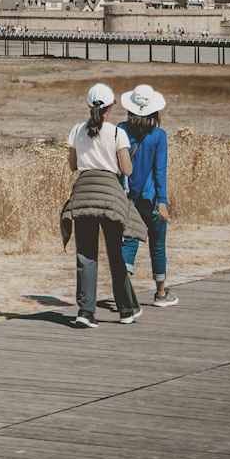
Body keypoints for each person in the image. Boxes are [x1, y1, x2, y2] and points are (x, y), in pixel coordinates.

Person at [61, 82, 144, 328]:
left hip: (84, 193)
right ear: (112, 106)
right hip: (109, 194)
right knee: (115, 253)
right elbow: (127, 169)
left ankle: (86, 312)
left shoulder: (77, 130)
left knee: (86, 254)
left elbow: (73, 165)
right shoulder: (117, 133)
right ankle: (126, 310)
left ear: (89, 104)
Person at [119, 83, 178, 308]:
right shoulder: (159, 136)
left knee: (129, 243)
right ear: (154, 110)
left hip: (128, 199)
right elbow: (160, 171)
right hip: (152, 198)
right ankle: (160, 293)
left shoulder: (121, 130)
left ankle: (123, 293)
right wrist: (162, 201)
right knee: (157, 245)